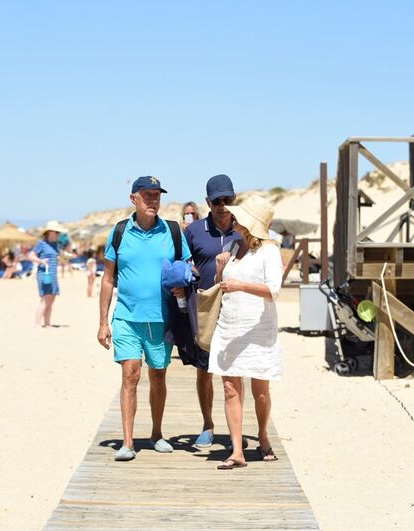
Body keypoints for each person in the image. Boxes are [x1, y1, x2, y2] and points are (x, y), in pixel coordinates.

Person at [97, 176, 191, 462]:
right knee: (130, 374)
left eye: (156, 195)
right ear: (133, 199)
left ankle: (157, 434)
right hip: (126, 316)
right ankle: (127, 442)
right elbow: (108, 278)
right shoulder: (120, 231)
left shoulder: (173, 231)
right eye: (147, 195)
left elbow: (187, 267)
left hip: (162, 318)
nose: (153, 200)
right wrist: (103, 322)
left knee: (158, 375)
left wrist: (183, 281)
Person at [207, 195, 283, 469]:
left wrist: (240, 285)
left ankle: (262, 435)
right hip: (229, 326)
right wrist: (219, 270)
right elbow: (222, 284)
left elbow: (274, 290)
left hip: (258, 330)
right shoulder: (232, 245)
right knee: (230, 389)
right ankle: (237, 450)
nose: (233, 218)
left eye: (240, 216)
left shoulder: (269, 251)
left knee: (260, 390)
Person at [182, 174, 241, 448]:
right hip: (205, 310)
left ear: (235, 198)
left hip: (237, 310)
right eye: (217, 201)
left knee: (234, 372)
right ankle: (207, 425)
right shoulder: (193, 232)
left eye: (227, 199)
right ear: (208, 202)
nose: (222, 205)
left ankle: (235, 433)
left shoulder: (244, 231)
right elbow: (181, 264)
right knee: (204, 371)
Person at [28, 220, 68, 327]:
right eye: (57, 232)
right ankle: (37, 324)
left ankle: (47, 323)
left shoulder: (56, 245)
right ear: (50, 232)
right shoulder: (41, 243)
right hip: (44, 274)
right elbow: (31, 255)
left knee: (52, 299)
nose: (58, 235)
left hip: (54, 275)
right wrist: (41, 261)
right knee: (45, 299)